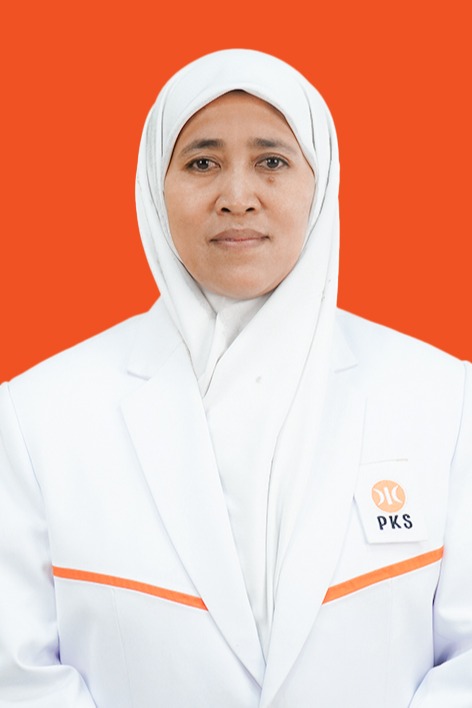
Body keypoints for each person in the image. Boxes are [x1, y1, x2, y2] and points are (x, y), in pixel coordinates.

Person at [0, 48, 471, 708]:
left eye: (272, 161)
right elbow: (17, 672)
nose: (238, 198)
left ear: (321, 182)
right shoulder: (36, 416)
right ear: (155, 186)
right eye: (202, 163)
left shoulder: (442, 398)